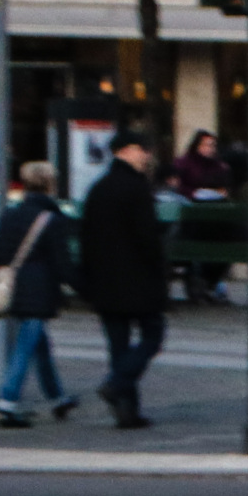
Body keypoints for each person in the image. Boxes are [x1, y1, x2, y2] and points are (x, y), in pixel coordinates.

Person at [78, 132, 167, 429]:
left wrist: (88, 279)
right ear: (126, 151)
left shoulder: (98, 187)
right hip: (138, 279)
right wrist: (160, 272)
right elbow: (147, 237)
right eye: (143, 150)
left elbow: (86, 237)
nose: (147, 156)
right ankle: (116, 384)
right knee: (152, 336)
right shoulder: (136, 188)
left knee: (118, 345)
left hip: (104, 281)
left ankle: (127, 411)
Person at [0, 161, 79, 428]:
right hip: (40, 290)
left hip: (14, 289)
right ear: (51, 185)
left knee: (40, 347)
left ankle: (57, 398)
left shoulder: (10, 214)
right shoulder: (52, 219)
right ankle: (7, 401)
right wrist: (86, 288)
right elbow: (63, 264)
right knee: (26, 347)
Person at [172, 129, 233, 199]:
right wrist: (193, 193)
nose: (211, 149)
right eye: (208, 145)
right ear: (197, 146)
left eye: (214, 146)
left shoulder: (220, 166)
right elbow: (177, 185)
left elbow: (225, 186)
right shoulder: (183, 163)